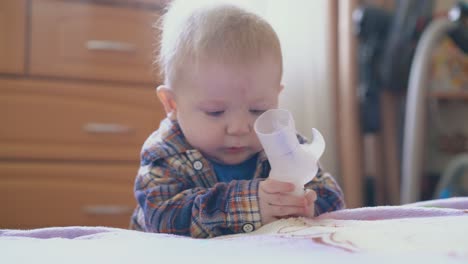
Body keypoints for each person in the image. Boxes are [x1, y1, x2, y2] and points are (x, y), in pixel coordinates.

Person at [130, 0, 345, 238]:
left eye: (258, 110)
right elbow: (162, 218)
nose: (240, 128)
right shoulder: (164, 154)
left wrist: (306, 207)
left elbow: (331, 196)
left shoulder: (283, 144)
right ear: (171, 104)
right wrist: (251, 205)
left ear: (276, 98)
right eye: (215, 112)